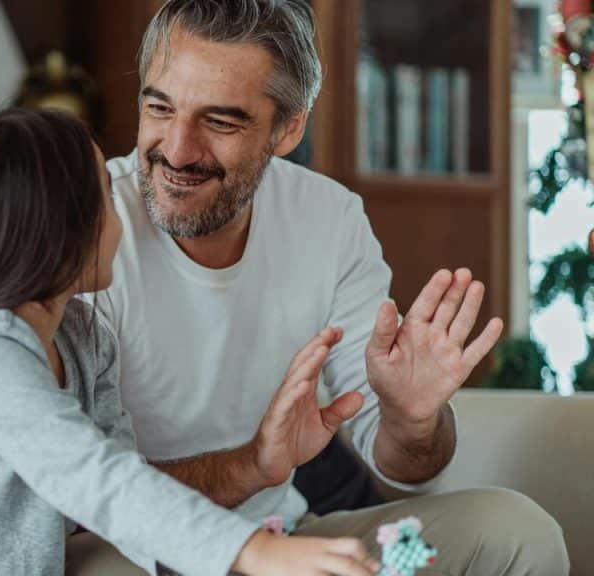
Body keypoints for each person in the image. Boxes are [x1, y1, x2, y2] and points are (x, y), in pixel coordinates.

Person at [76, 0, 570, 574]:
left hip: (285, 539)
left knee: (515, 532)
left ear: (288, 129)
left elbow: (405, 467)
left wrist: (412, 421)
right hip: (135, 552)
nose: (178, 150)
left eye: (220, 121)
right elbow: (68, 486)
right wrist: (251, 467)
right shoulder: (86, 223)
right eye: (159, 107)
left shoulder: (328, 218)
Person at [0, 109, 384, 576]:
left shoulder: (85, 338)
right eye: (111, 196)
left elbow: (128, 481)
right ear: (61, 227)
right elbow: (96, 480)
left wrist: (256, 493)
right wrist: (255, 552)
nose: (127, 213)